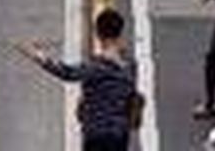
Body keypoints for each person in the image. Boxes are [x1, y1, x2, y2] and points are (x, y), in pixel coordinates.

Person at [16, 8, 141, 151]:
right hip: (120, 134)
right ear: (120, 33)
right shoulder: (130, 65)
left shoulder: (96, 66)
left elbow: (66, 73)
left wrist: (38, 56)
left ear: (98, 33)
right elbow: (130, 95)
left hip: (97, 134)